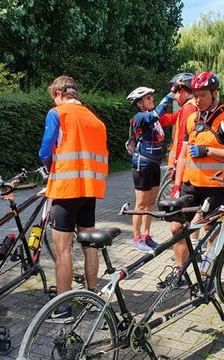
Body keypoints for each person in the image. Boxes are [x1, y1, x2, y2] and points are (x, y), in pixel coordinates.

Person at [162, 71, 224, 289]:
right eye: (195, 95)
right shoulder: (192, 118)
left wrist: (208, 150)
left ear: (214, 93)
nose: (198, 100)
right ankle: (180, 274)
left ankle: (208, 277)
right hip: (190, 186)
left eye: (203, 95)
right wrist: (177, 185)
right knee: (176, 228)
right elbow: (183, 154)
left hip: (216, 186)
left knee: (212, 233)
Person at [38, 75, 109, 322]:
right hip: (89, 191)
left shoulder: (57, 114)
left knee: (63, 250)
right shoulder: (96, 120)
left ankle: (63, 308)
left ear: (58, 94)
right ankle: (92, 296)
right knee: (89, 244)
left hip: (66, 190)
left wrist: (50, 170)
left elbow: (46, 150)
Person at [126, 86, 174, 251]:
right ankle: (137, 237)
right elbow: (155, 115)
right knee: (141, 204)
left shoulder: (155, 120)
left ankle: (147, 235)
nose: (152, 100)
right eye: (148, 98)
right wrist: (169, 96)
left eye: (152, 98)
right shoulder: (140, 117)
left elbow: (171, 118)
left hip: (155, 165)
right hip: (142, 164)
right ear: (140, 103)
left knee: (150, 203)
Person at [164, 73, 198, 171]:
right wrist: (152, 113)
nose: (174, 96)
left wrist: (177, 164)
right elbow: (168, 119)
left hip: (182, 165)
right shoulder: (189, 106)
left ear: (182, 91)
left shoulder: (188, 108)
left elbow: (183, 139)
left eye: (175, 93)